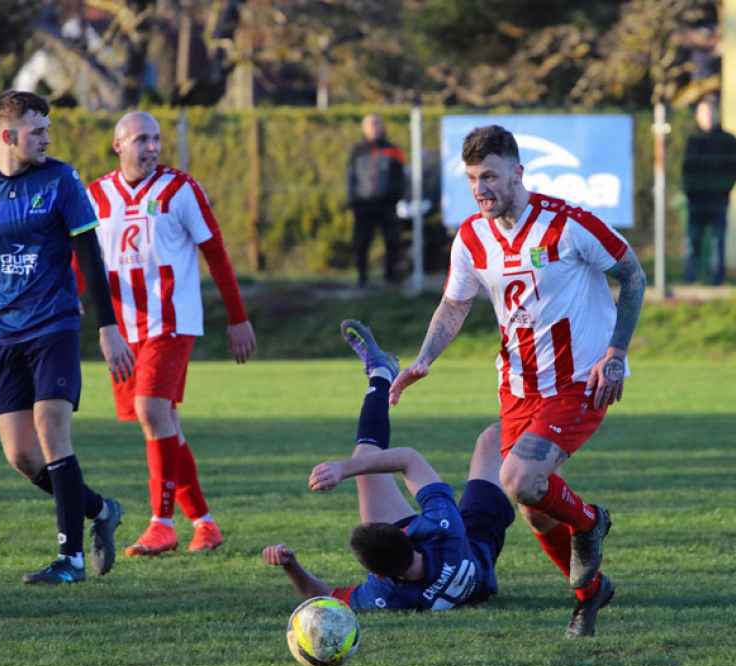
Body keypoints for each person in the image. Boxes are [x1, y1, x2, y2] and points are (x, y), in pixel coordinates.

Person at [388, 125, 648, 636]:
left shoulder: (568, 225)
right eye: (471, 179)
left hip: (580, 380)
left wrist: (616, 352)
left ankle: (591, 522)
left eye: (489, 176)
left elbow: (632, 274)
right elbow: (455, 302)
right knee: (533, 510)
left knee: (519, 479)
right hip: (518, 386)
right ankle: (589, 593)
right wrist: (425, 359)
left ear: (517, 173)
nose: (480, 188)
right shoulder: (472, 237)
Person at [0, 90, 135, 585]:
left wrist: (107, 328)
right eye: (37, 131)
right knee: (21, 455)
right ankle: (101, 509)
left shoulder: (61, 180)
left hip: (55, 324)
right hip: (4, 334)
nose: (47, 139)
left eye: (47, 129)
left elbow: (90, 255)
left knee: (51, 427)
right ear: (7, 135)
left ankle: (71, 560)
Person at [263, 322, 601, 625]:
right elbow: (410, 459)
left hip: (472, 572)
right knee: (494, 440)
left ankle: (380, 373)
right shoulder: (442, 528)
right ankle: (551, 449)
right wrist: (343, 469)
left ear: (379, 574)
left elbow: (322, 596)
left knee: (368, 454)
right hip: (478, 538)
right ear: (411, 535)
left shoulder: (386, 597)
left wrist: (291, 565)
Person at [84, 111, 256, 557]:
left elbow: (216, 253)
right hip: (124, 332)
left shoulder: (181, 189)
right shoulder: (97, 195)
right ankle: (205, 522)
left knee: (151, 411)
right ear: (118, 144)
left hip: (172, 323)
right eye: (142, 139)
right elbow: (82, 265)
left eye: (156, 139)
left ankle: (162, 523)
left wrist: (237, 318)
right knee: (163, 424)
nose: (152, 147)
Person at [681, 97, 736, 286]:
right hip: (696, 199)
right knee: (693, 239)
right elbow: (686, 169)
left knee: (717, 241)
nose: (706, 117)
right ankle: (690, 278)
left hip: (718, 199)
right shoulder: (693, 140)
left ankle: (717, 279)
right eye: (703, 113)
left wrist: (723, 189)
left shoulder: (728, 140)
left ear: (716, 115)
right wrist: (690, 191)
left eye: (709, 113)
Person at [346, 114, 405, 287]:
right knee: (361, 242)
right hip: (363, 205)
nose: (374, 128)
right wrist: (353, 200)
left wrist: (396, 196)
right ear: (364, 128)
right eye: (370, 125)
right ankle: (362, 278)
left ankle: (391, 277)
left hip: (387, 204)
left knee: (392, 241)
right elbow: (350, 177)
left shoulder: (394, 150)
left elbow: (401, 177)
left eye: (377, 124)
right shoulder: (356, 150)